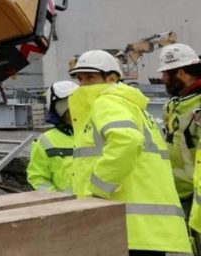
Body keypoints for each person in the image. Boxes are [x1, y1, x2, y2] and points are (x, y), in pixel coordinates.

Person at [68, 50, 191, 256]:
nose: (84, 85)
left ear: (112, 78)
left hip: (125, 225)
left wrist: (97, 189)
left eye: (90, 77)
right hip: (144, 229)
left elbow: (126, 141)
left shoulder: (107, 101)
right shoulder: (133, 107)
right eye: (80, 78)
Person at [159, 44, 201, 219]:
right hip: (179, 194)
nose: (162, 79)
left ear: (181, 73)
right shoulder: (172, 105)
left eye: (166, 74)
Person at [27, 80, 78, 193]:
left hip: (100, 204)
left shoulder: (96, 133)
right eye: (69, 112)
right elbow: (38, 178)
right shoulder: (45, 141)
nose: (76, 114)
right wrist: (57, 201)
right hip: (66, 207)